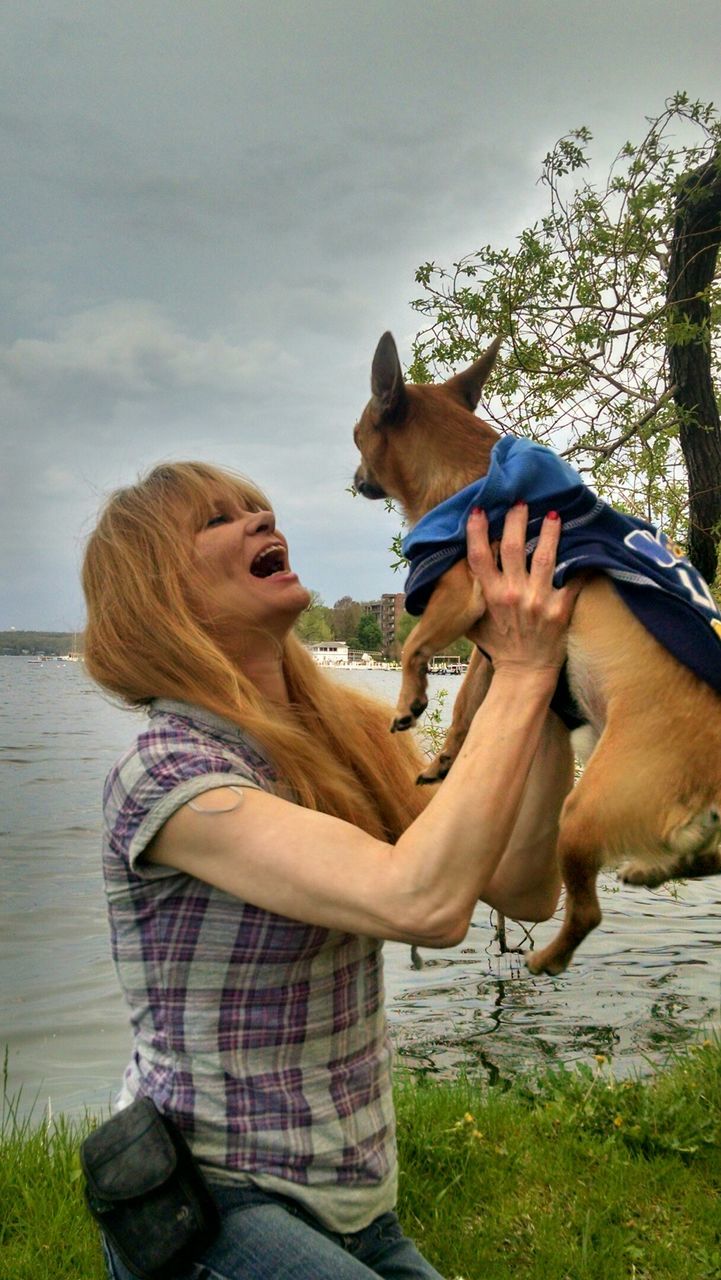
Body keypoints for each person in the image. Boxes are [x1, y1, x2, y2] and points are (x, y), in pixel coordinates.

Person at [81, 461, 580, 1280]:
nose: (259, 518)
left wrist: (545, 698)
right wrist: (522, 674)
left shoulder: (348, 734)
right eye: (218, 519)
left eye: (257, 507)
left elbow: (519, 890)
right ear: (156, 594)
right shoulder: (166, 771)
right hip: (211, 1202)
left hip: (359, 1200)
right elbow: (420, 901)